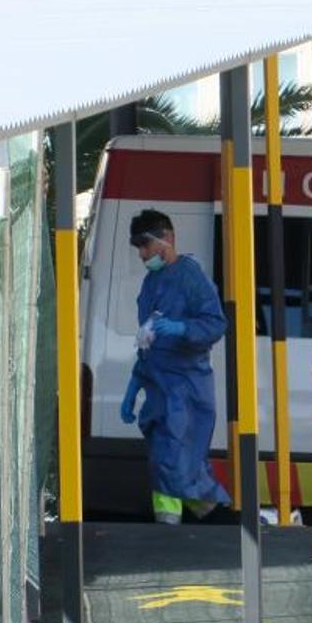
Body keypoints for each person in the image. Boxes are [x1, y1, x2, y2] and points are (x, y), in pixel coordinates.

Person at [120, 209, 232, 524]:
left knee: (173, 460)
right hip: (160, 389)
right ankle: (201, 526)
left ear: (167, 238)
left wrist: (181, 329)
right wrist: (134, 386)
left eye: (145, 245)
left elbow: (214, 323)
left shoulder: (191, 277)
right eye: (138, 247)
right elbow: (147, 341)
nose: (142, 254)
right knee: (173, 463)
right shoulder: (150, 284)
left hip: (186, 390)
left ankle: (185, 527)